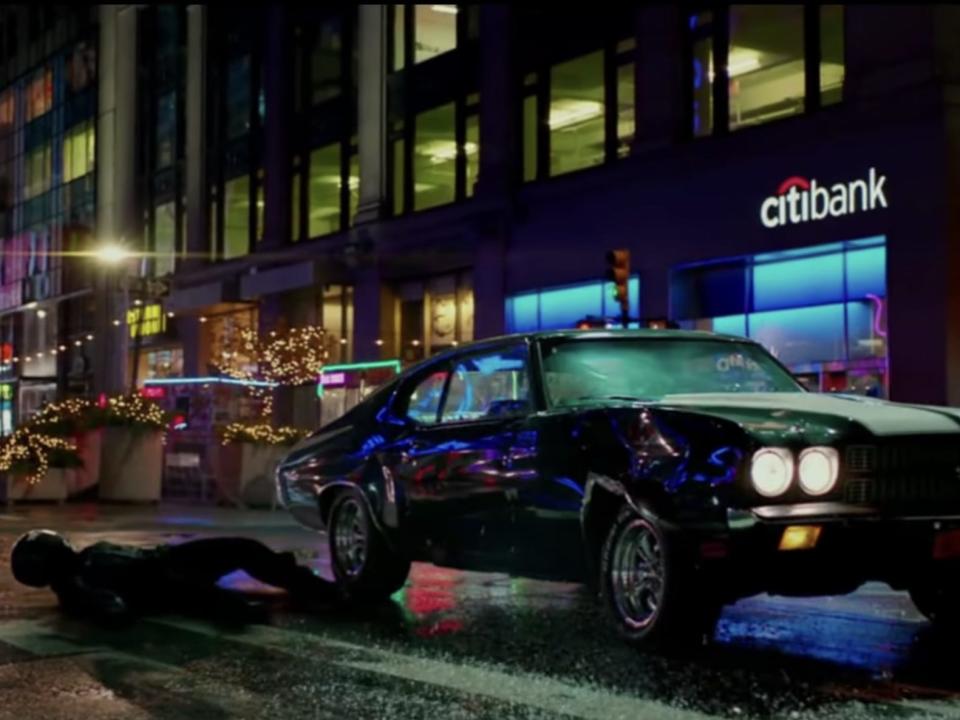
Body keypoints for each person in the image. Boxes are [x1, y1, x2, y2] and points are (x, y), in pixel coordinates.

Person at [11, 530, 342, 625]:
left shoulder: (78, 576)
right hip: (166, 571)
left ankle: (306, 585)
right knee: (242, 554)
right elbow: (118, 607)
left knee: (243, 549)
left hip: (169, 562)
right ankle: (323, 593)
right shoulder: (81, 580)